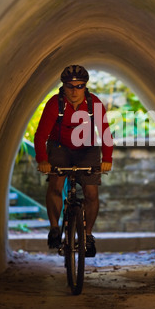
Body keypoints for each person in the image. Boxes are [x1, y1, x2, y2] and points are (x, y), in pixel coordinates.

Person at [34, 65, 113, 257]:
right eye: (70, 86)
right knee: (56, 185)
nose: (75, 91)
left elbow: (105, 133)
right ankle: (54, 228)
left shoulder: (93, 103)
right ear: (63, 86)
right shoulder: (55, 104)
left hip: (87, 148)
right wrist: (43, 160)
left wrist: (107, 158)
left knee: (91, 192)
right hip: (60, 147)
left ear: (85, 86)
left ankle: (87, 236)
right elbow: (40, 136)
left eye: (80, 86)